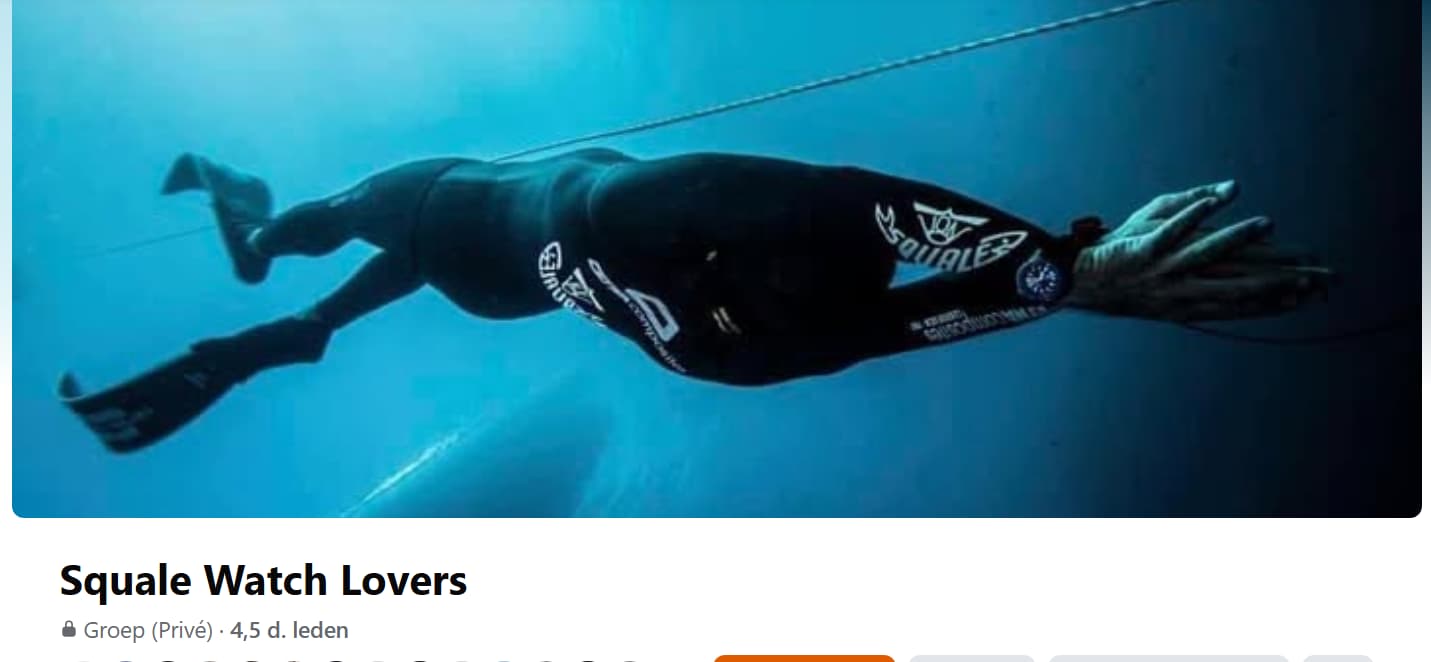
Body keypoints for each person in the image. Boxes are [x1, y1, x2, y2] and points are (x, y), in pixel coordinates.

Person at [60, 150, 1333, 451]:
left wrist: (1065, 278)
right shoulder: (661, 215)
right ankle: (265, 256)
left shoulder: (754, 349)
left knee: (360, 250)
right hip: (468, 211)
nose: (766, 273)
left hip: (486, 261)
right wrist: (1065, 267)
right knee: (331, 233)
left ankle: (281, 298)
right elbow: (875, 214)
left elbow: (915, 302)